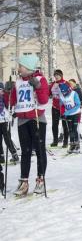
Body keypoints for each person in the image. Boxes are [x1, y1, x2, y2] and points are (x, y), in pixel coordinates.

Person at [5, 54, 49, 196]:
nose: (18, 68)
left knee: (40, 149)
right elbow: (11, 103)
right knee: (25, 151)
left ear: (28, 67)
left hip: (36, 118)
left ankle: (40, 179)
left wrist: (37, 86)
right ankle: (24, 181)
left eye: (21, 66)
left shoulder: (40, 79)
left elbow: (43, 101)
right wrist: (8, 91)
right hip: (22, 119)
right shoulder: (17, 81)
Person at [49, 69, 70, 148]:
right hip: (55, 107)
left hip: (64, 107)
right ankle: (55, 141)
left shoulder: (65, 83)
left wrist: (60, 87)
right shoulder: (52, 84)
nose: (56, 77)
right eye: (55, 75)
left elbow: (69, 93)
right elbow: (48, 93)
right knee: (54, 125)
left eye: (58, 75)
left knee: (65, 125)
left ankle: (65, 142)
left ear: (61, 75)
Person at [0, 82, 19, 163]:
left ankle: (14, 154)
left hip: (4, 121)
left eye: (1, 90)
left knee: (7, 139)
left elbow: (9, 103)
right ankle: (1, 157)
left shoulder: (4, 97)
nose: (1, 92)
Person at [59, 83, 81, 153]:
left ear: (68, 90)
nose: (64, 93)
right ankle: (72, 145)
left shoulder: (74, 93)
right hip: (68, 115)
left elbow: (78, 105)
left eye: (65, 92)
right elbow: (61, 105)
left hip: (75, 114)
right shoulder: (62, 95)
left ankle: (77, 145)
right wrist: (62, 114)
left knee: (74, 129)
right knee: (70, 130)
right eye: (62, 92)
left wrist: (67, 112)